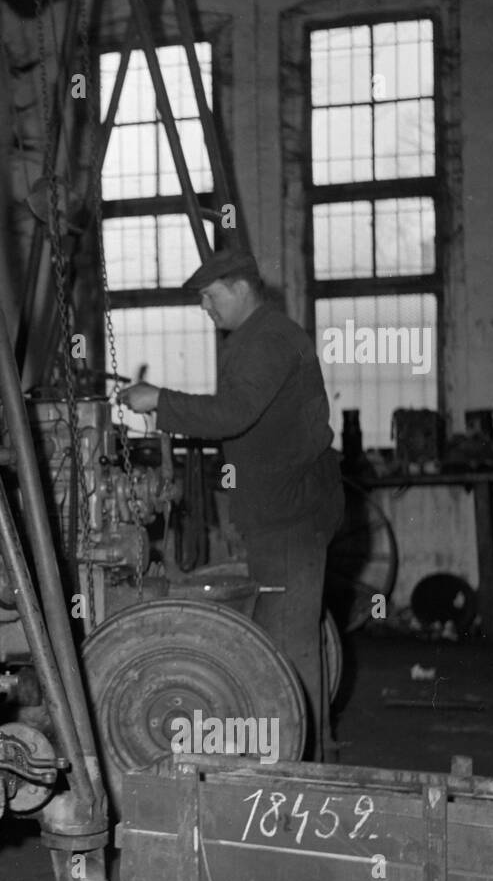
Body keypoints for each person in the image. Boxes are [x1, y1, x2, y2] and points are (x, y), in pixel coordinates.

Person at [118, 248, 344, 760]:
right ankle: (305, 751)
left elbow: (234, 412)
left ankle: (300, 764)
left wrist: (161, 400)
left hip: (292, 515)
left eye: (210, 295)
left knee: (288, 642)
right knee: (284, 636)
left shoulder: (268, 339)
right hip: (282, 509)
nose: (204, 305)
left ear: (241, 288)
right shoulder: (256, 338)